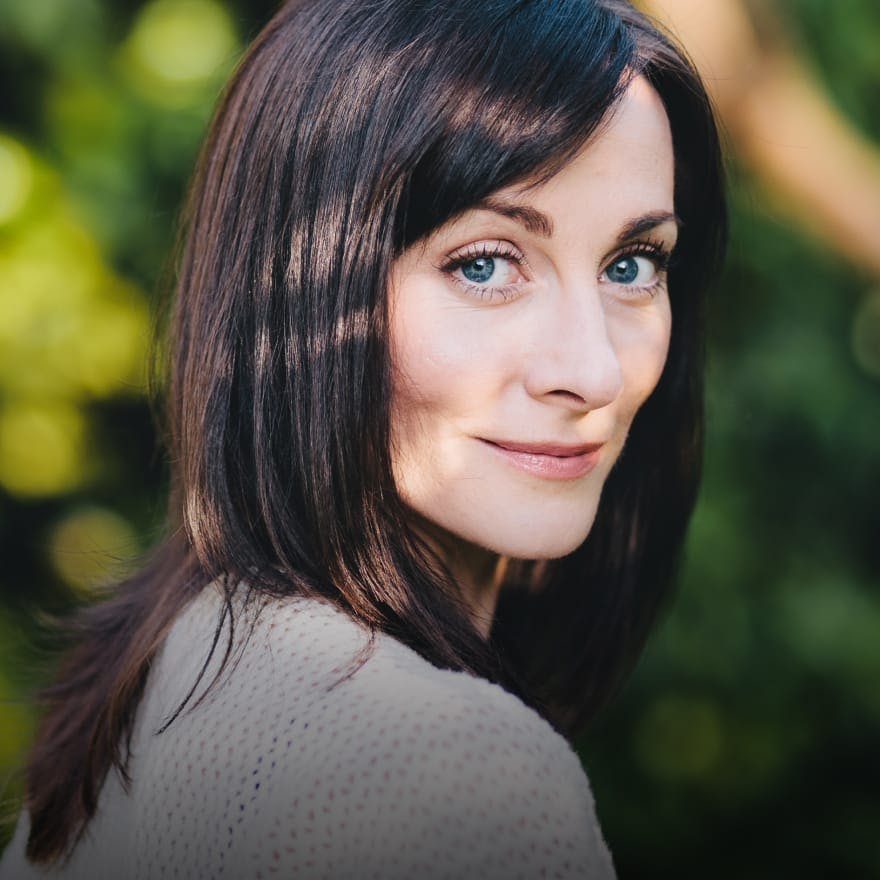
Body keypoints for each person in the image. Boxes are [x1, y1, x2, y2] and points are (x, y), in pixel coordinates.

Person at [0, 0, 725, 876]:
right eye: (485, 264)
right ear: (300, 286)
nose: (595, 370)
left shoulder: (184, 659)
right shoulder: (442, 771)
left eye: (632, 265)